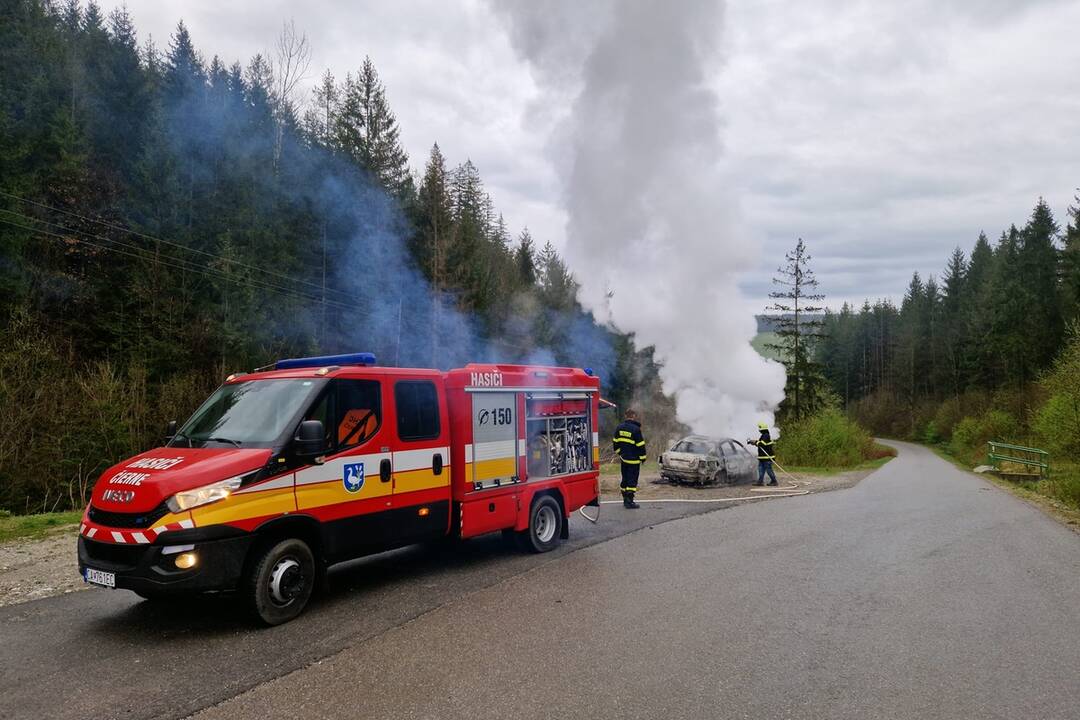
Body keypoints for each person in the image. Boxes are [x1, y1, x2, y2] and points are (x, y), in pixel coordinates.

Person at [613, 409, 646, 509]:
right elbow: (641, 445)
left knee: (625, 479)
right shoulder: (636, 429)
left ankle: (625, 499)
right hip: (634, 460)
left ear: (625, 416)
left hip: (624, 459)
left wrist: (620, 454)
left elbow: (615, 443)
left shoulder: (619, 427)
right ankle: (629, 501)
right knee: (632, 481)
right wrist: (643, 458)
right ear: (634, 416)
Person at [749, 422, 778, 486]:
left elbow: (763, 443)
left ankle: (774, 481)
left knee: (768, 470)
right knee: (760, 469)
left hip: (767, 458)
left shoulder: (766, 435)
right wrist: (754, 443)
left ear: (762, 429)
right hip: (762, 457)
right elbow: (761, 445)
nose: (759, 430)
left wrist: (755, 442)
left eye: (760, 428)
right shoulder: (763, 435)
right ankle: (760, 481)